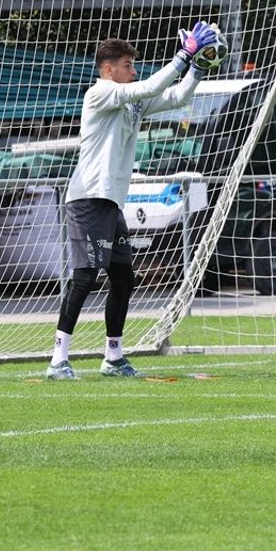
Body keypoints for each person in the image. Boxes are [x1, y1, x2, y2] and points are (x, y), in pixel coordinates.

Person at [46, 22, 225, 380]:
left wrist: (198, 68)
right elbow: (150, 87)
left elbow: (176, 97)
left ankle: (113, 358)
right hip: (89, 198)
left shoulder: (130, 101)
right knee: (85, 277)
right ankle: (58, 360)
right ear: (109, 69)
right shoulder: (100, 93)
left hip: (110, 202)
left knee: (124, 278)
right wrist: (184, 55)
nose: (133, 70)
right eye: (127, 65)